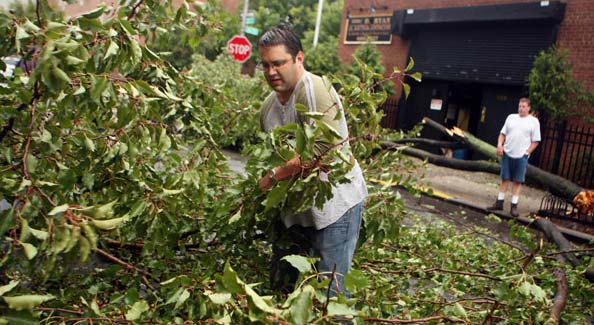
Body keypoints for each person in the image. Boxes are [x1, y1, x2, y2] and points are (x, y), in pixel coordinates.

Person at [256, 25, 367, 299]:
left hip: (335, 208)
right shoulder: (268, 108)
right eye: (266, 65)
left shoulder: (313, 89)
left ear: (299, 59)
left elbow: (323, 152)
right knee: (282, 287)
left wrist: (273, 176)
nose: (272, 72)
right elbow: (275, 153)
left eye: (279, 63)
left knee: (331, 294)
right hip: (296, 211)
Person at [487, 97, 540, 217]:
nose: (521, 109)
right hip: (507, 152)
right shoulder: (511, 117)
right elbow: (502, 133)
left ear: (528, 108)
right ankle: (499, 202)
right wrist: (500, 145)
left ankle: (514, 205)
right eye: (520, 106)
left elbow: (536, 140)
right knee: (504, 178)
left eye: (524, 107)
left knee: (517, 180)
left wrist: (527, 152)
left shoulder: (533, 122)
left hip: (521, 155)